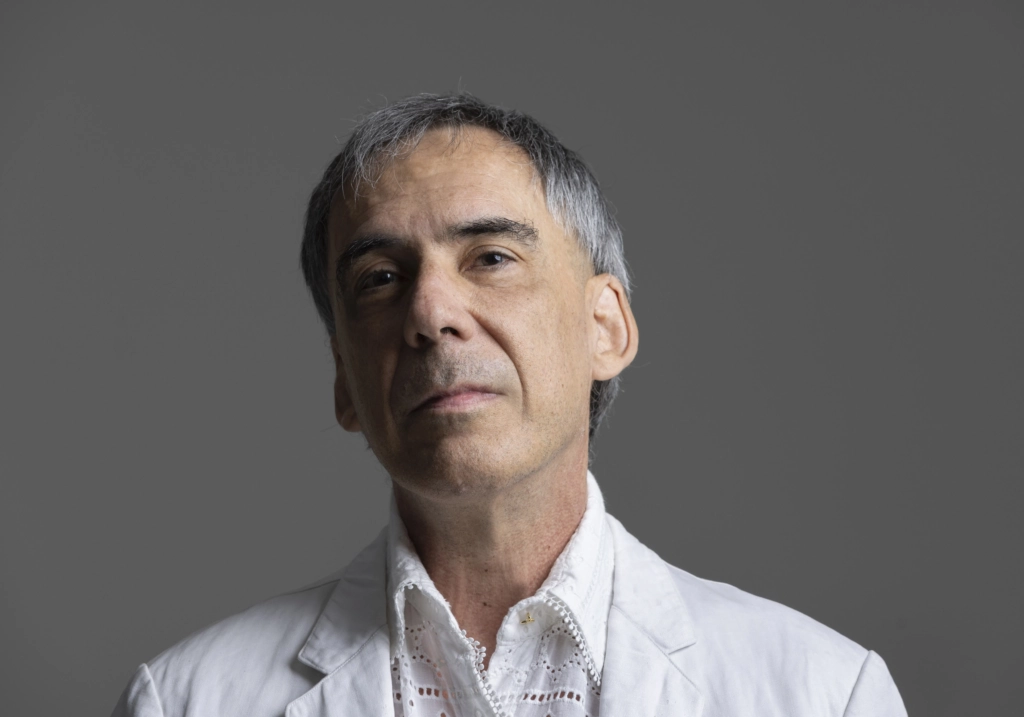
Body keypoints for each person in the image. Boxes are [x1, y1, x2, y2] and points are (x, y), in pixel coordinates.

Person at [112, 93, 907, 717]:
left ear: (605, 327)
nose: (430, 312)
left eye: (491, 257)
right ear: (345, 382)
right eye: (380, 279)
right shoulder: (182, 702)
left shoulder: (824, 694)